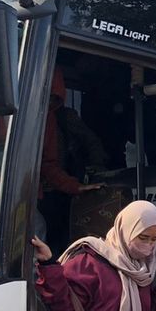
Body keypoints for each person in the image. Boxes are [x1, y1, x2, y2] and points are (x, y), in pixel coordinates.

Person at [39, 69, 105, 253]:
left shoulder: (62, 117)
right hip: (37, 191)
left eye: (53, 97)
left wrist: (96, 170)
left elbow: (91, 142)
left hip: (58, 190)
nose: (47, 102)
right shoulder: (19, 114)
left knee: (57, 238)